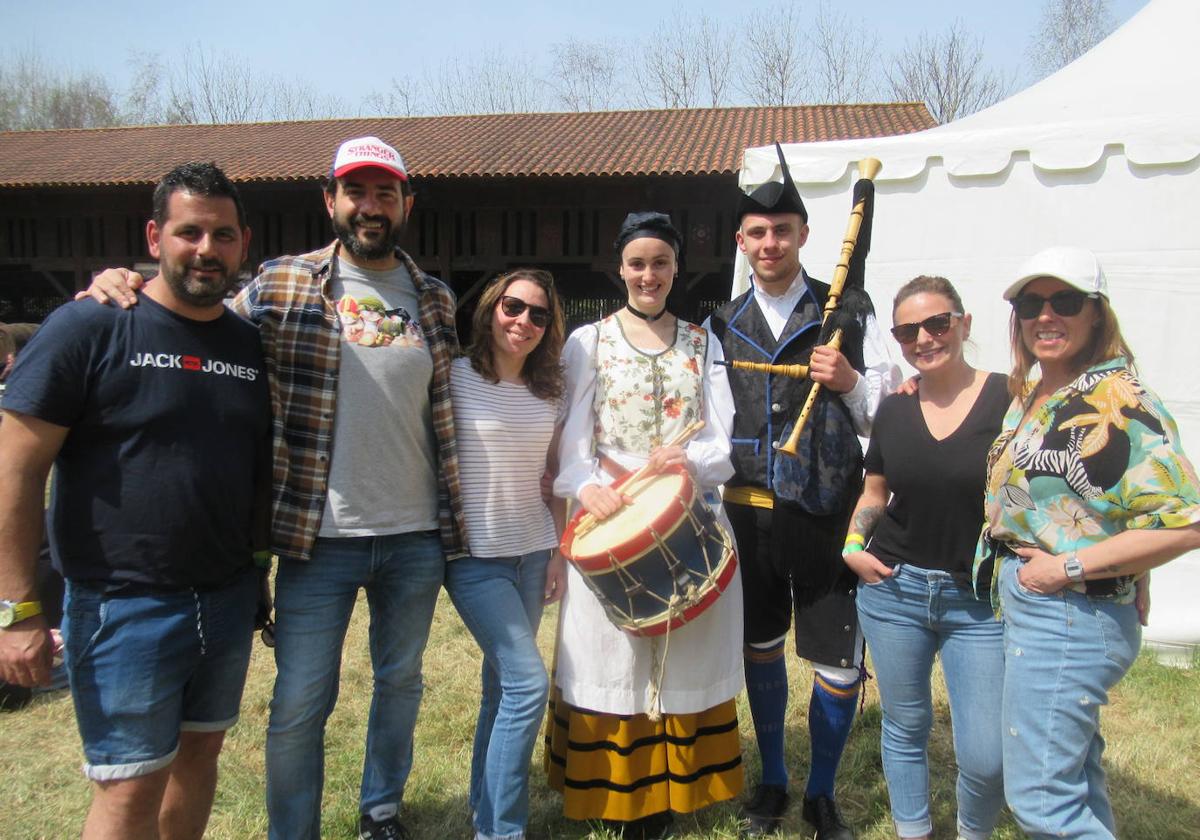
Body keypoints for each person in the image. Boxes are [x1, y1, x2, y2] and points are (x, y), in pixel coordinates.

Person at [83, 136, 466, 840]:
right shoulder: (280, 282)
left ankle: (381, 809)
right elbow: (193, 305)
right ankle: (295, 831)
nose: (371, 206)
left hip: (414, 536)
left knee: (401, 684)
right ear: (331, 201)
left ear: (407, 203)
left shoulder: (435, 298)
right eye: (356, 191)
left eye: (386, 193)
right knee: (298, 702)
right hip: (317, 538)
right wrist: (124, 281)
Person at [0, 162, 271, 839]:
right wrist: (16, 609)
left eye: (222, 235)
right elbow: (14, 471)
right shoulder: (88, 327)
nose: (206, 249)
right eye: (189, 232)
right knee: (128, 788)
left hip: (227, 595)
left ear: (243, 244)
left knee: (200, 756)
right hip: (124, 604)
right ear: (155, 236)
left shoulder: (247, 345)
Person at [977, 246, 1200, 840]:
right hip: (1045, 608)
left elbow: (1184, 521)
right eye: (1030, 304)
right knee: (1072, 777)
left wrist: (1069, 566)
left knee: (1042, 801)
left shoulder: (1116, 400)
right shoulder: (1039, 392)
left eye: (1065, 302)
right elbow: (1101, 501)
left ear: (1097, 314)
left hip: (1070, 612)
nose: (1045, 316)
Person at [707, 150, 898, 839]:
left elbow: (890, 414)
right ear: (741, 243)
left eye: (783, 230)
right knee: (760, 646)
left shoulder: (848, 308)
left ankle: (821, 794)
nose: (770, 244)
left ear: (804, 236)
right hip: (749, 514)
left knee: (836, 660)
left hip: (827, 513)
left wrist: (849, 380)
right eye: (757, 233)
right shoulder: (720, 324)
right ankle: (773, 781)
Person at [548, 212, 742, 839]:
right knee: (614, 650)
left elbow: (722, 438)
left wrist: (687, 462)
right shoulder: (587, 341)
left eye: (660, 262)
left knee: (685, 648)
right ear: (620, 269)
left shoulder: (704, 343)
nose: (648, 274)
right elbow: (572, 439)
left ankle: (670, 793)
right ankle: (613, 790)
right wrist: (587, 487)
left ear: (676, 268)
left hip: (684, 509)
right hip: (611, 508)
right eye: (637, 263)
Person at [841, 276, 1007, 840]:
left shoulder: (1011, 400)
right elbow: (875, 491)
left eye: (937, 323)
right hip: (894, 589)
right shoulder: (893, 408)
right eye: (908, 330)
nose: (924, 338)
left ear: (964, 323)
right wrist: (851, 547)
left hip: (978, 600)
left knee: (986, 753)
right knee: (905, 725)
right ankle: (913, 831)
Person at [444, 268, 568, 840]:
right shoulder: (453, 377)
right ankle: (504, 831)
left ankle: (483, 815)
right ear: (492, 307)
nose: (523, 322)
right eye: (514, 307)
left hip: (533, 553)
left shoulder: (551, 391)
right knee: (525, 685)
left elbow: (557, 474)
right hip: (476, 559)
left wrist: (559, 552)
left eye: (538, 314)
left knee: (500, 690)